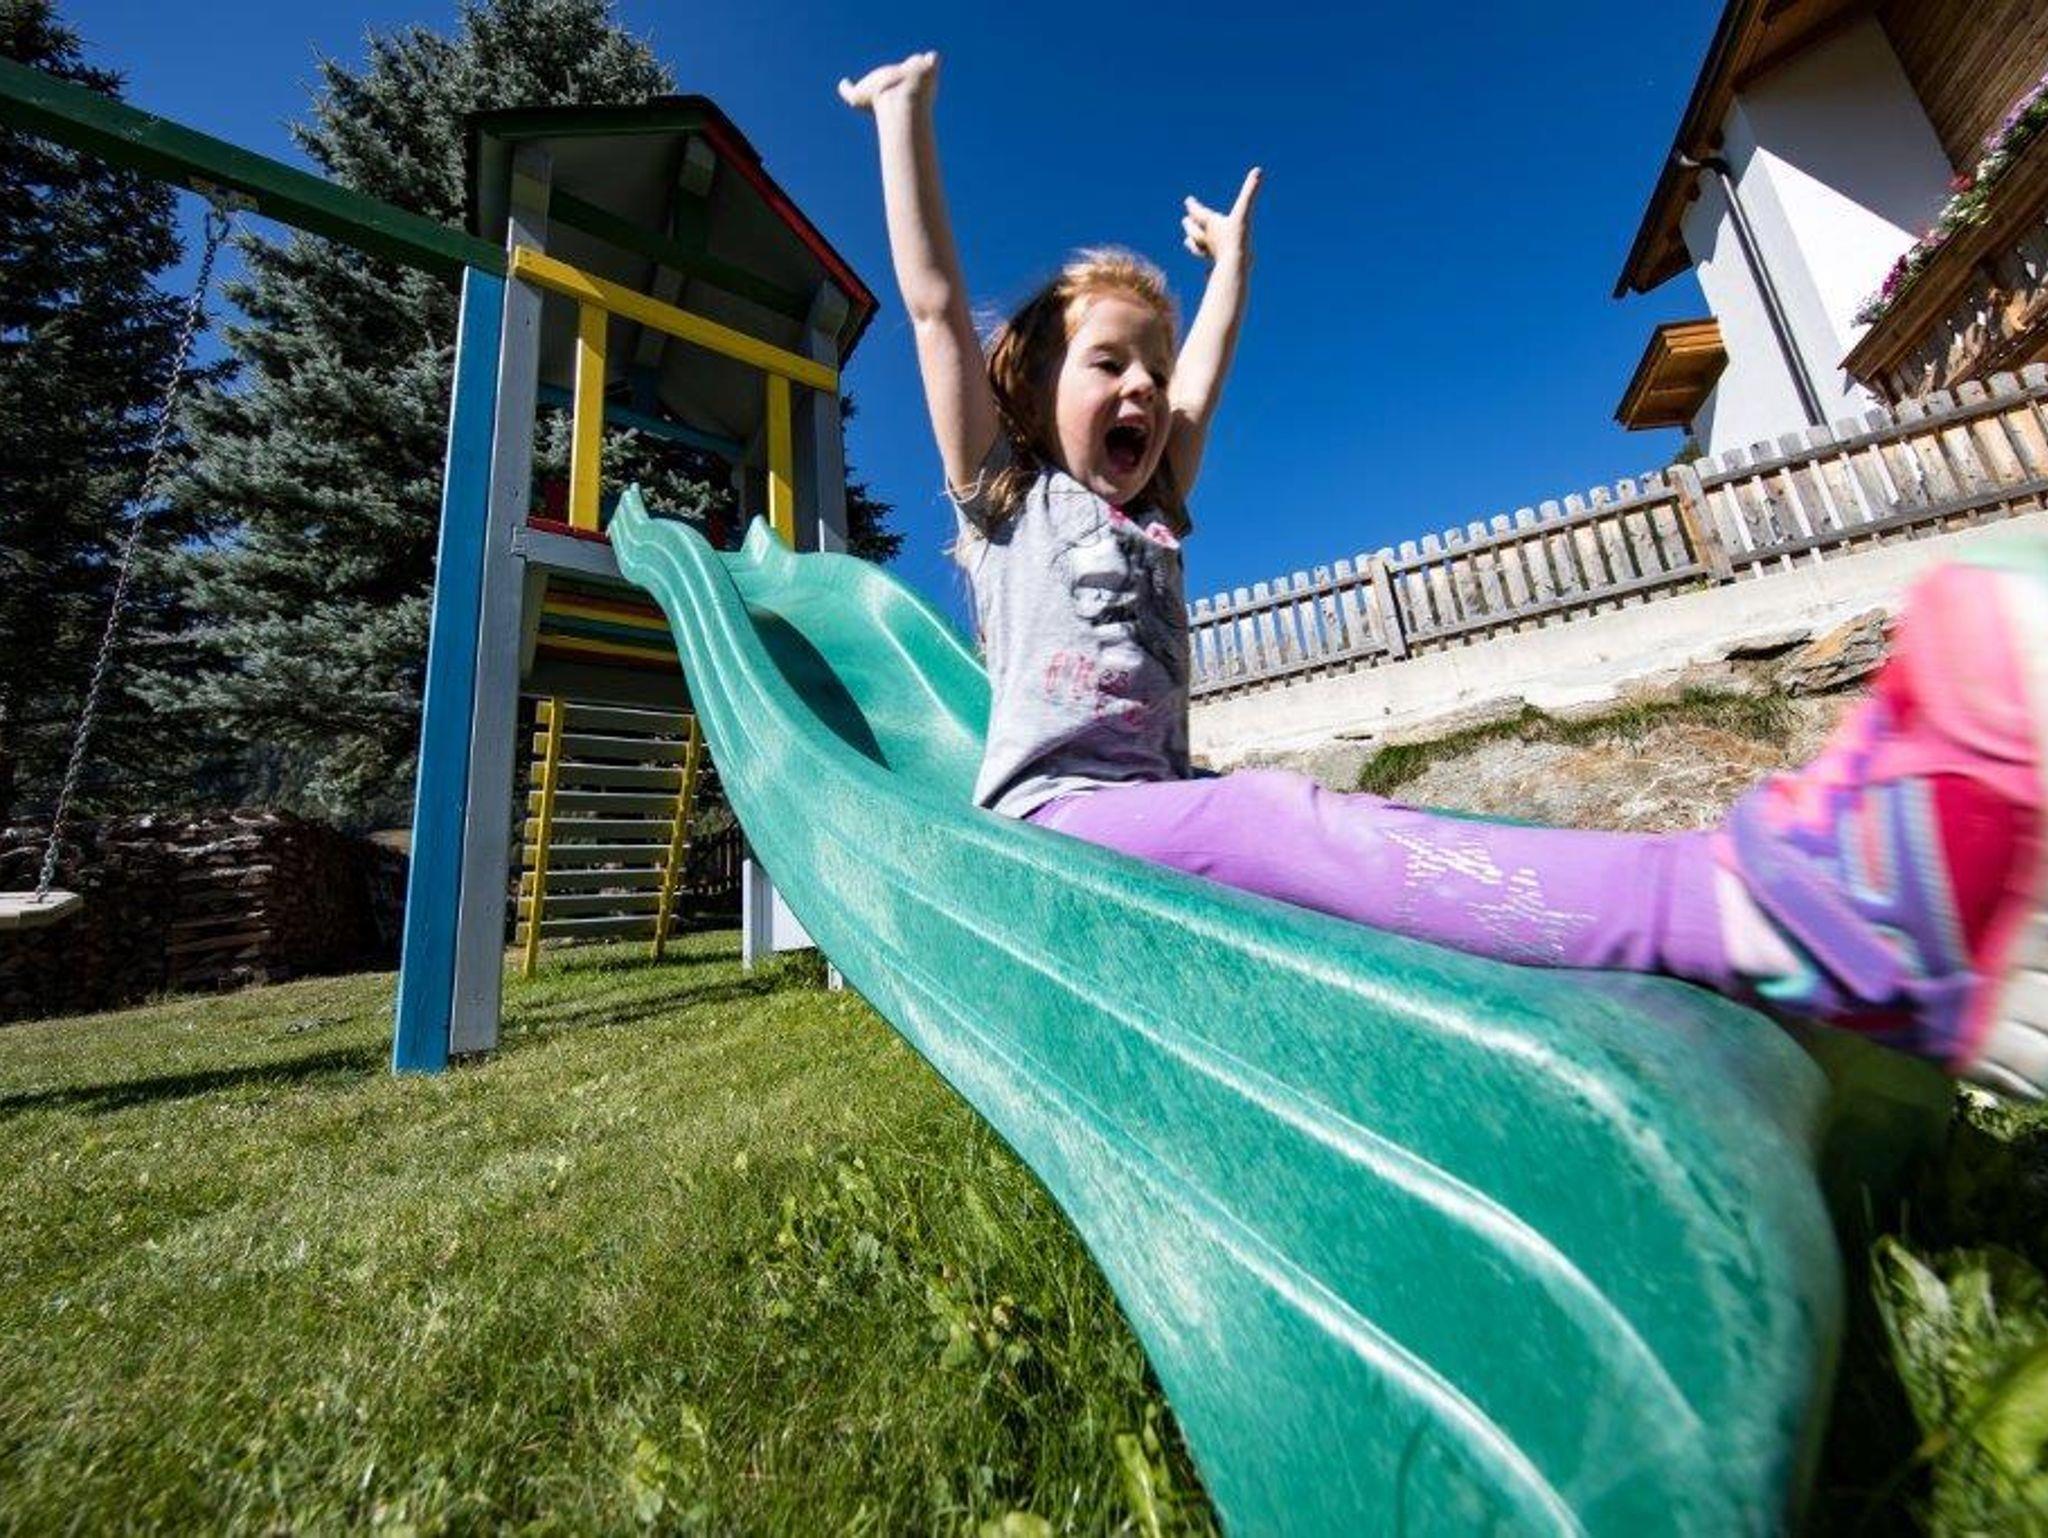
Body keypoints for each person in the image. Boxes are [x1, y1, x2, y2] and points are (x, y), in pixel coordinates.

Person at [838, 50, 2048, 1099]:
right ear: (1031, 388)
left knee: (1329, 822)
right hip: (1053, 831)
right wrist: (902, 120)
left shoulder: (1152, 510)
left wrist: (1232, 269)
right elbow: (936, 311)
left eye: (1151, 366)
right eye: (1109, 363)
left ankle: (1768, 924)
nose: (1145, 387)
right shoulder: (1010, 501)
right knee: (1274, 816)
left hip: (1148, 811)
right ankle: (1777, 905)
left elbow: (1202, 374)